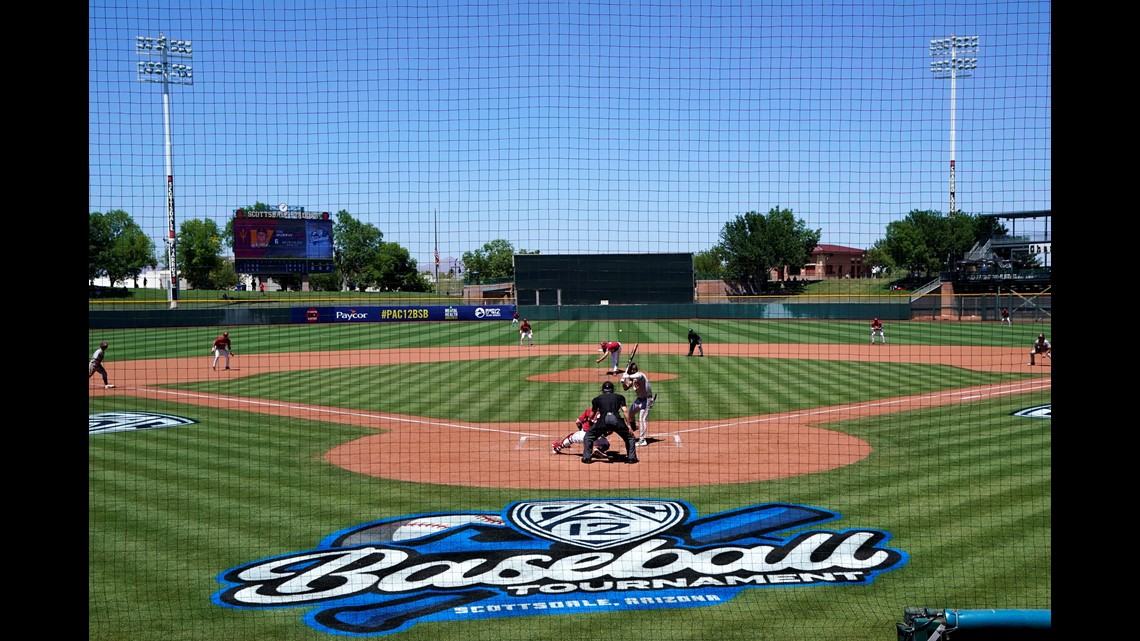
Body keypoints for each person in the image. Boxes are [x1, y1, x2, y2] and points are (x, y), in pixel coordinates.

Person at [582, 380, 638, 464]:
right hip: (617, 421)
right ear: (612, 389)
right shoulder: (620, 397)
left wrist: (590, 421)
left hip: (602, 422)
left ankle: (587, 458)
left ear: (603, 390)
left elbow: (592, 414)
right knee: (630, 438)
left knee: (588, 437)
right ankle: (631, 458)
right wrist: (629, 426)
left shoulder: (597, 399)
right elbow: (625, 411)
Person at [621, 361, 653, 446]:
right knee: (630, 412)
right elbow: (625, 388)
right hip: (639, 400)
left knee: (642, 419)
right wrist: (623, 381)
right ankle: (634, 426)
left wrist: (626, 376)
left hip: (647, 400)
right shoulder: (632, 378)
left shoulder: (640, 375)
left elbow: (638, 376)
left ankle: (643, 440)